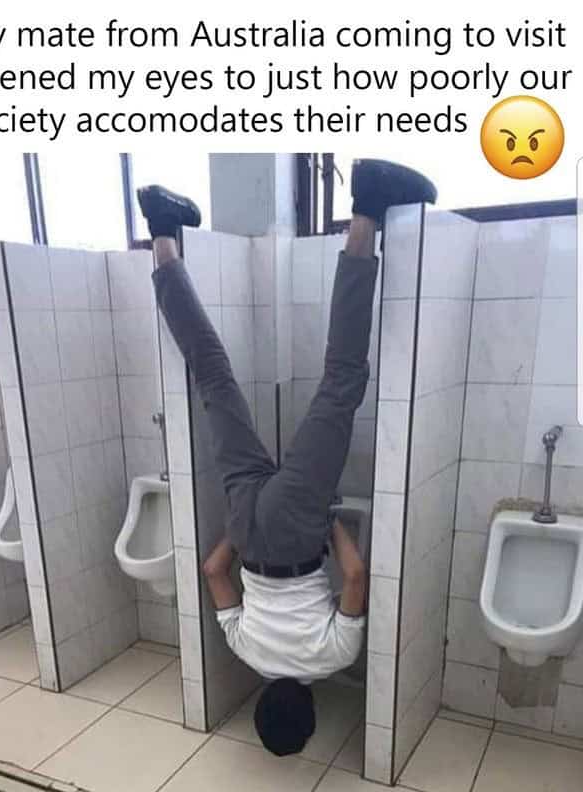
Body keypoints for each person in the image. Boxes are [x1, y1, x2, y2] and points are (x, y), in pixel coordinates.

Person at [137, 159, 436, 757]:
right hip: (247, 528)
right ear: (263, 702)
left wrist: (325, 521)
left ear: (308, 711)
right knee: (214, 377)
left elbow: (353, 575)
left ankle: (368, 210)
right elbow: (213, 571)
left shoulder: (334, 658)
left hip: (300, 531)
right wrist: (241, 529)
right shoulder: (245, 653)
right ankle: (164, 235)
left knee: (342, 380)